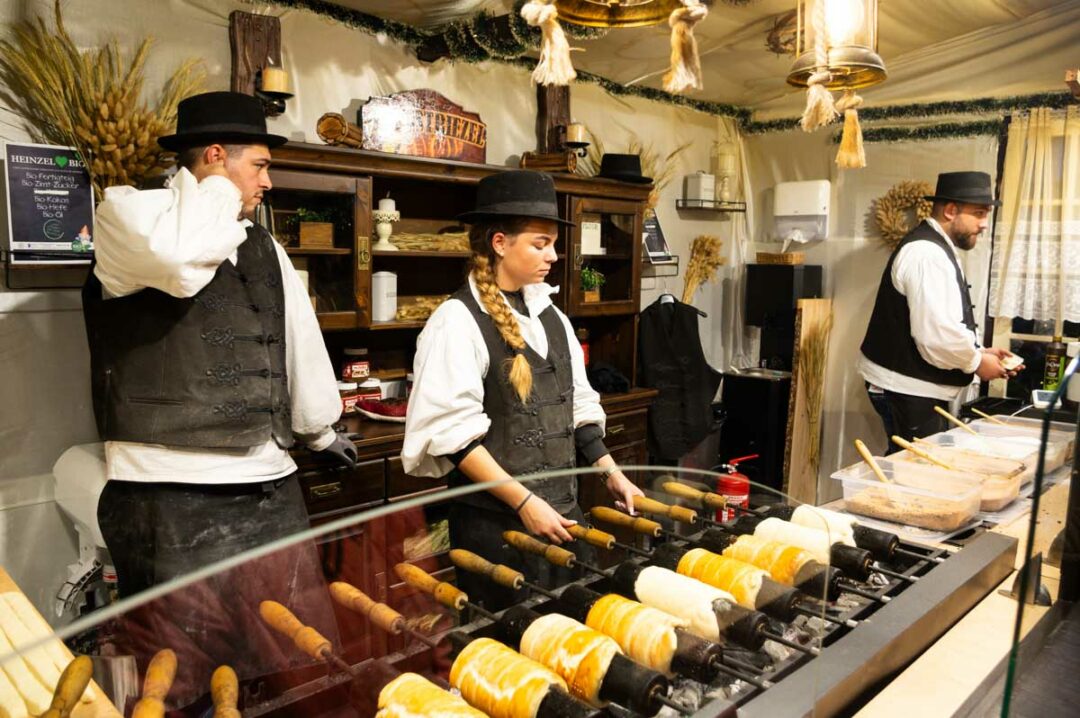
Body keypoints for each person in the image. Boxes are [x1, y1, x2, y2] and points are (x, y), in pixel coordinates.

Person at [81, 91, 356, 704]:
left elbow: (296, 343)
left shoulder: (262, 245)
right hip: (169, 488)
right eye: (257, 165)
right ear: (213, 156)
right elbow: (178, 262)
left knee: (290, 651)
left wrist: (319, 430)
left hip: (267, 480)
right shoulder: (129, 216)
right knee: (180, 674)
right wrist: (215, 190)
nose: (267, 181)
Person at [402, 170, 644, 610]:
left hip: (561, 516)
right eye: (540, 243)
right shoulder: (456, 322)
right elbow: (454, 437)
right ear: (499, 243)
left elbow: (577, 409)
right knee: (509, 655)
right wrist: (524, 501)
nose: (553, 255)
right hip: (497, 530)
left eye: (553, 242)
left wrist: (611, 473)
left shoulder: (551, 318)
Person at [858, 171, 1020, 445]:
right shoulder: (926, 254)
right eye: (979, 213)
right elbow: (935, 334)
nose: (984, 224)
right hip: (906, 388)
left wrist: (978, 351)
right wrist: (978, 362)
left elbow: (937, 324)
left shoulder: (936, 247)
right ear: (951, 210)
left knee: (916, 471)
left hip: (914, 388)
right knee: (916, 475)